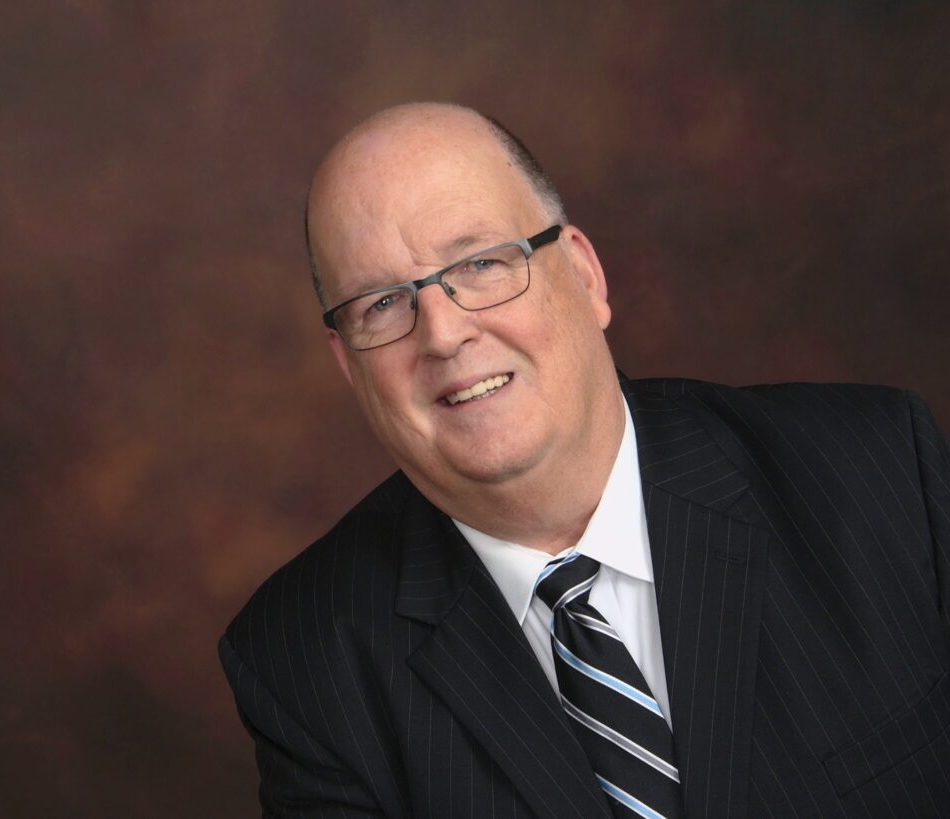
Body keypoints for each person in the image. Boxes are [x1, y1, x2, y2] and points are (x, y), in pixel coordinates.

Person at [219, 103, 950, 818]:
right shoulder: (302, 660)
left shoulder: (876, 469)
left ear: (584, 274)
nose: (442, 334)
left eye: (479, 263)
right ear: (348, 366)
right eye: (381, 303)